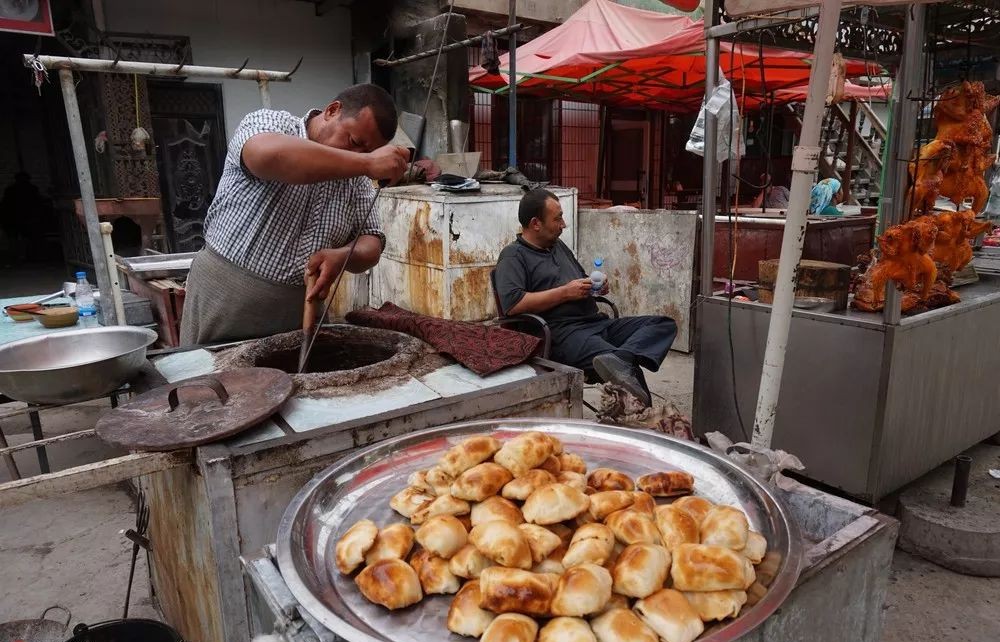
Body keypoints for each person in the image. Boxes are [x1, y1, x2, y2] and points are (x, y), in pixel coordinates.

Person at [180, 84, 410, 345]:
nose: (358, 155)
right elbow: (266, 156)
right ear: (332, 111)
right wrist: (368, 164)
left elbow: (372, 240)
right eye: (355, 142)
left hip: (298, 311)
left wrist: (343, 256)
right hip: (225, 297)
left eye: (369, 152)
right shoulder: (272, 123)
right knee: (211, 382)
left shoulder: (355, 179)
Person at [493, 189, 677, 407]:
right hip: (562, 333)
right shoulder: (513, 256)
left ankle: (622, 361)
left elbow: (579, 279)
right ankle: (645, 425)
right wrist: (565, 292)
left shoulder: (557, 245)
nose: (564, 224)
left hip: (597, 323)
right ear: (535, 223)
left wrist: (594, 286)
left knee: (662, 325)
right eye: (557, 218)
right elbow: (513, 305)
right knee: (624, 367)